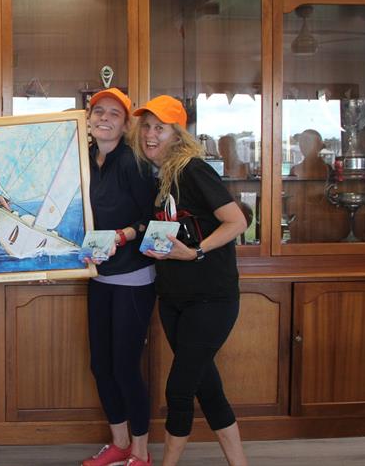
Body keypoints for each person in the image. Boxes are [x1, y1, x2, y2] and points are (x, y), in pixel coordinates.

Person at [134, 95, 248, 466]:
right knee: (206, 386)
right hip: (173, 299)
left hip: (210, 299)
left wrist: (196, 250)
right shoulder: (162, 178)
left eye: (160, 128)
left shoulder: (193, 170)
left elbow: (237, 221)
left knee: (179, 389)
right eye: (147, 126)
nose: (150, 134)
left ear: (177, 135)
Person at [81, 87, 158, 466]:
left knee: (125, 367)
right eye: (99, 112)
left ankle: (140, 453)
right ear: (89, 119)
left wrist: (123, 235)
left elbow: (155, 222)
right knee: (101, 364)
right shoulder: (86, 161)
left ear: (126, 124)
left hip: (132, 278)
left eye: (114, 113)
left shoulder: (134, 163)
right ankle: (119, 443)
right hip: (98, 276)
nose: (105, 118)